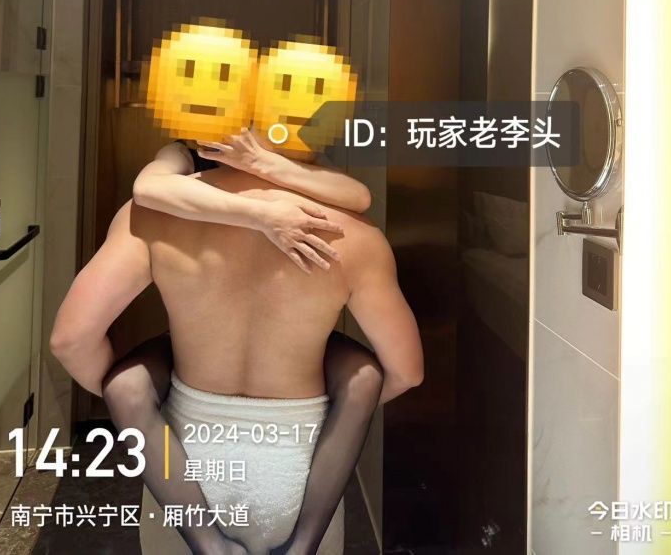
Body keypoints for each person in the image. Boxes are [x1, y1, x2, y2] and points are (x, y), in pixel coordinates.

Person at [51, 150, 423, 555]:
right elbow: (406, 372)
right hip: (301, 475)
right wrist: (336, 407)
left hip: (181, 471)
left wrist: (144, 396)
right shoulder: (352, 233)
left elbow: (70, 341)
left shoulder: (150, 214)